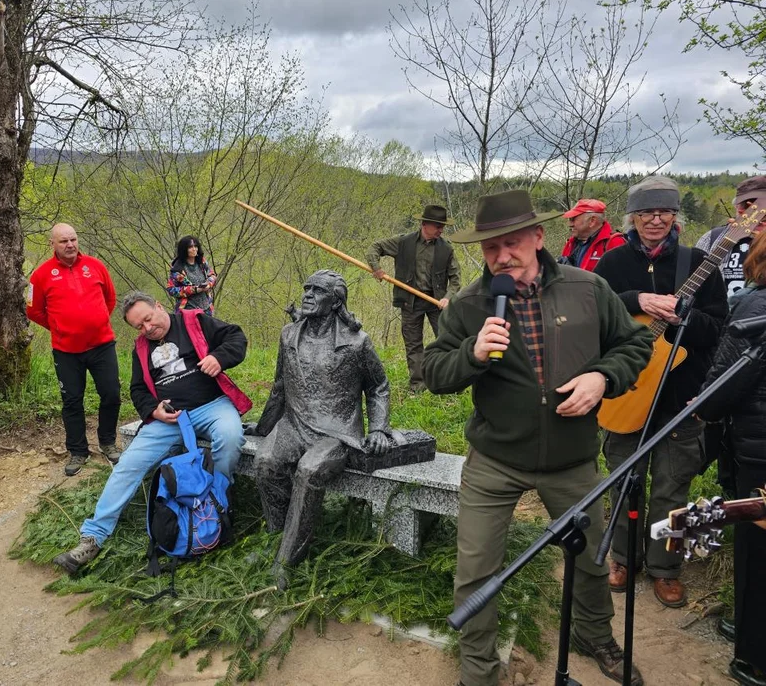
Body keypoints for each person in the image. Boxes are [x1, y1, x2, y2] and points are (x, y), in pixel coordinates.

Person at [424, 190, 652, 686]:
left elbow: (636, 342)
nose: (502, 256)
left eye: (511, 243)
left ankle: (593, 636)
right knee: (477, 572)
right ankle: (479, 672)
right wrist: (472, 353)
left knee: (591, 560)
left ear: (538, 237)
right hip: (496, 460)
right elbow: (435, 371)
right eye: (490, 248)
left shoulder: (587, 288)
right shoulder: (469, 305)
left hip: (572, 461)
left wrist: (603, 379)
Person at [594, 175, 728, 607]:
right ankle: (622, 558)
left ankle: (665, 568)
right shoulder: (611, 265)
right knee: (624, 481)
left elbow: (719, 331)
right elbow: (592, 318)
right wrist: (636, 300)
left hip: (681, 396)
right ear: (631, 217)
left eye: (664, 211)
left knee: (674, 486)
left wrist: (684, 317)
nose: (655, 219)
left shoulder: (699, 263)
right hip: (625, 391)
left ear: (675, 216)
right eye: (646, 212)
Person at [52, 291, 251, 574]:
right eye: (139, 326)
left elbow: (237, 338)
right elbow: (137, 389)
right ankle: (93, 536)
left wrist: (219, 358)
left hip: (211, 405)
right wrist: (154, 410)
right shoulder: (141, 348)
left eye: (148, 319)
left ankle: (216, 507)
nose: (147, 329)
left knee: (230, 438)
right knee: (128, 465)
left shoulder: (195, 321)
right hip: (167, 420)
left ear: (159, 306)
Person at [248, 270, 392, 586]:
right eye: (307, 288)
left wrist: (379, 428)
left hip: (337, 433)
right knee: (264, 462)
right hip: (294, 425)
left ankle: (285, 564)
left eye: (318, 290)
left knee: (309, 470)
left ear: (336, 300)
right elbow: (279, 386)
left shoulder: (356, 342)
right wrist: (263, 428)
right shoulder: (289, 335)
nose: (308, 294)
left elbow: (379, 385)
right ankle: (279, 538)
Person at [695, 229, 766, 686]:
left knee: (758, 553)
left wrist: (703, 406)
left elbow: (721, 392)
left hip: (758, 455)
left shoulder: (754, 306)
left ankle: (753, 656)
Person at [27, 223, 121, 476]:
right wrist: (60, 327)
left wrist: (97, 322)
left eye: (73, 239)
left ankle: (108, 442)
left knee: (111, 394)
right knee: (72, 401)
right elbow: (32, 309)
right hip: (66, 350)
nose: (70, 245)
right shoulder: (40, 275)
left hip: (102, 345)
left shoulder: (96, 266)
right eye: (63, 241)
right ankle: (78, 451)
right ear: (52, 244)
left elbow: (110, 298)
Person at [366, 204, 462, 393]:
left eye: (443, 226)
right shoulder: (403, 242)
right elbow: (374, 247)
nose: (441, 230)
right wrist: (376, 268)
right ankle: (418, 386)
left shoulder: (446, 249)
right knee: (413, 344)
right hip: (410, 301)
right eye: (438, 226)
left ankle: (450, 383)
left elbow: (456, 279)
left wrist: (448, 298)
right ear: (425, 224)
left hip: (437, 303)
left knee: (446, 341)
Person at [695, 175, 766, 302]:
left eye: (761, 207)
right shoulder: (711, 239)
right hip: (721, 320)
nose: (757, 214)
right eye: (746, 206)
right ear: (737, 207)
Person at [558, 198, 626, 271]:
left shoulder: (614, 243)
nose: (570, 224)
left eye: (573, 219)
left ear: (592, 221)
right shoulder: (570, 244)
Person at [167, 235, 217, 315]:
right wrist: (194, 290)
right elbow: (171, 290)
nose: (194, 249)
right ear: (184, 249)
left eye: (195, 246)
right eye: (190, 247)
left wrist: (208, 284)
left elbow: (212, 275)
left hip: (206, 308)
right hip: (188, 311)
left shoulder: (202, 262)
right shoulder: (178, 268)